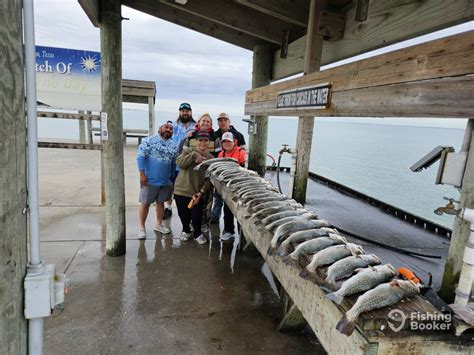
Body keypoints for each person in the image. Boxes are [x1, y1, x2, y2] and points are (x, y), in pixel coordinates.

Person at [136, 121, 178, 239]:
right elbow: (140, 157)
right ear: (160, 128)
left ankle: (158, 224)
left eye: (171, 128)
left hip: (165, 181)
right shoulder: (148, 141)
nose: (168, 129)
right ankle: (141, 228)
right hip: (149, 180)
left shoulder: (174, 145)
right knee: (145, 203)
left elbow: (174, 163)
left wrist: (171, 177)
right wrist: (142, 174)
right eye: (166, 127)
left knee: (161, 203)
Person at [179, 113, 219, 233]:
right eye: (203, 121)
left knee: (207, 201)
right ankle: (192, 224)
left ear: (211, 124)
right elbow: (182, 152)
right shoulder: (191, 135)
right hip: (191, 175)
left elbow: (218, 155)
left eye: (208, 121)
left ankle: (204, 223)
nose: (205, 123)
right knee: (192, 200)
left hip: (207, 172)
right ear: (198, 123)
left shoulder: (215, 137)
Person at [174, 130, 214, 245]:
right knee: (183, 214)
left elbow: (208, 179)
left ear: (209, 142)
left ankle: (197, 234)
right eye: (200, 140)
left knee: (197, 216)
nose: (203, 143)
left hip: (196, 192)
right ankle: (185, 230)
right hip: (181, 189)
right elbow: (180, 163)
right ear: (196, 141)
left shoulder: (210, 158)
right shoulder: (188, 151)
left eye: (205, 140)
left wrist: (201, 192)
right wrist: (193, 155)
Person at [211, 112, 246, 223]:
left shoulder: (238, 135)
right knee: (218, 199)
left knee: (232, 203)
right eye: (220, 120)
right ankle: (215, 219)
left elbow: (244, 159)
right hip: (220, 173)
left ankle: (233, 225)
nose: (223, 122)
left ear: (229, 121)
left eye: (225, 120)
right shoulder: (214, 135)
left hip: (236, 179)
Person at [163, 102, 196, 219]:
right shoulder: (173, 126)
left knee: (187, 187)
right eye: (183, 111)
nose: (185, 113)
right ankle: (168, 207)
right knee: (170, 186)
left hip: (188, 162)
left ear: (190, 112)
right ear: (180, 112)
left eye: (187, 111)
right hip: (174, 163)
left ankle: (189, 208)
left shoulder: (195, 126)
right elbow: (165, 139)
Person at [218, 132, 246, 240]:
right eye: (224, 141)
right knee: (227, 209)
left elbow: (246, 168)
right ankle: (229, 231)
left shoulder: (241, 152)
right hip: (227, 186)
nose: (226, 143)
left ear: (234, 142)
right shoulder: (221, 154)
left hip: (240, 186)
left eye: (229, 141)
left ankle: (242, 233)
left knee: (240, 209)